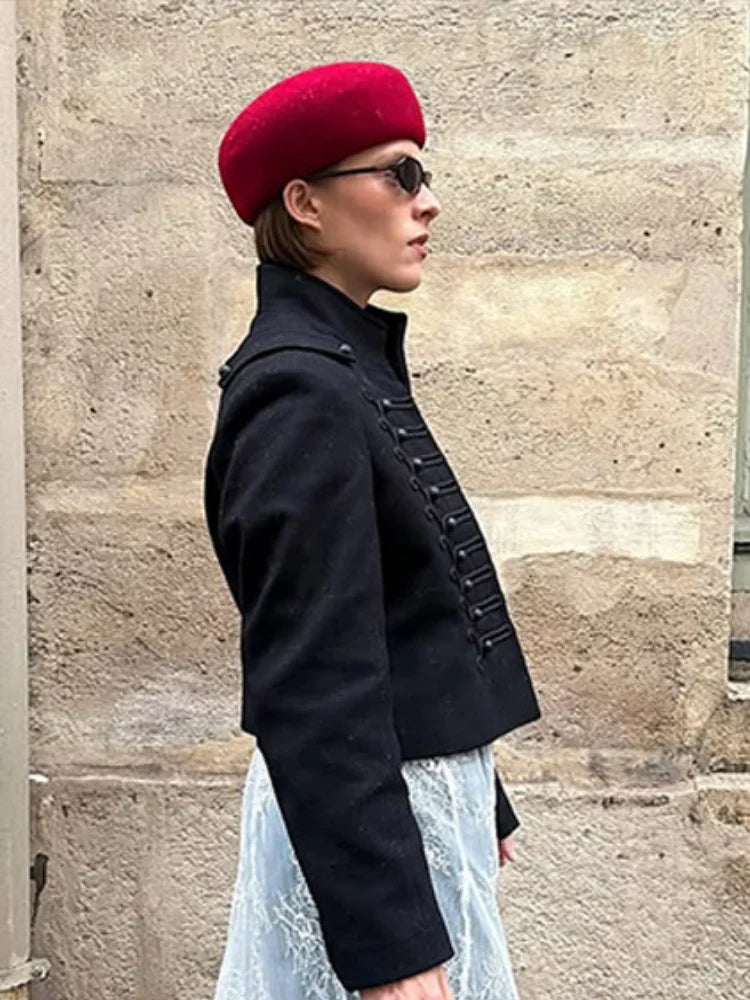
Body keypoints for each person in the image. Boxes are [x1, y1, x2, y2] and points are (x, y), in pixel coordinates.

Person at [203, 60, 542, 1000]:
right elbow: (314, 684)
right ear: (305, 203)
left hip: (409, 808)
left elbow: (408, 612)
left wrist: (480, 798)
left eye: (423, 174)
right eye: (398, 174)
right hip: (365, 837)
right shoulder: (299, 393)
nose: (426, 202)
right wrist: (391, 953)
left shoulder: (347, 362)